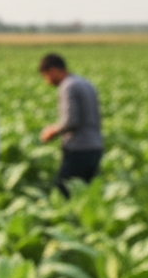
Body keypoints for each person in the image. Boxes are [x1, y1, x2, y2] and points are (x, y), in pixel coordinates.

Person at [37, 52, 103, 195]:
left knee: (62, 192)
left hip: (79, 149)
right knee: (86, 194)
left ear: (53, 70)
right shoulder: (86, 83)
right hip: (95, 147)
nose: (47, 81)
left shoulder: (68, 87)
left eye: (46, 76)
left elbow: (70, 121)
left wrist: (51, 131)